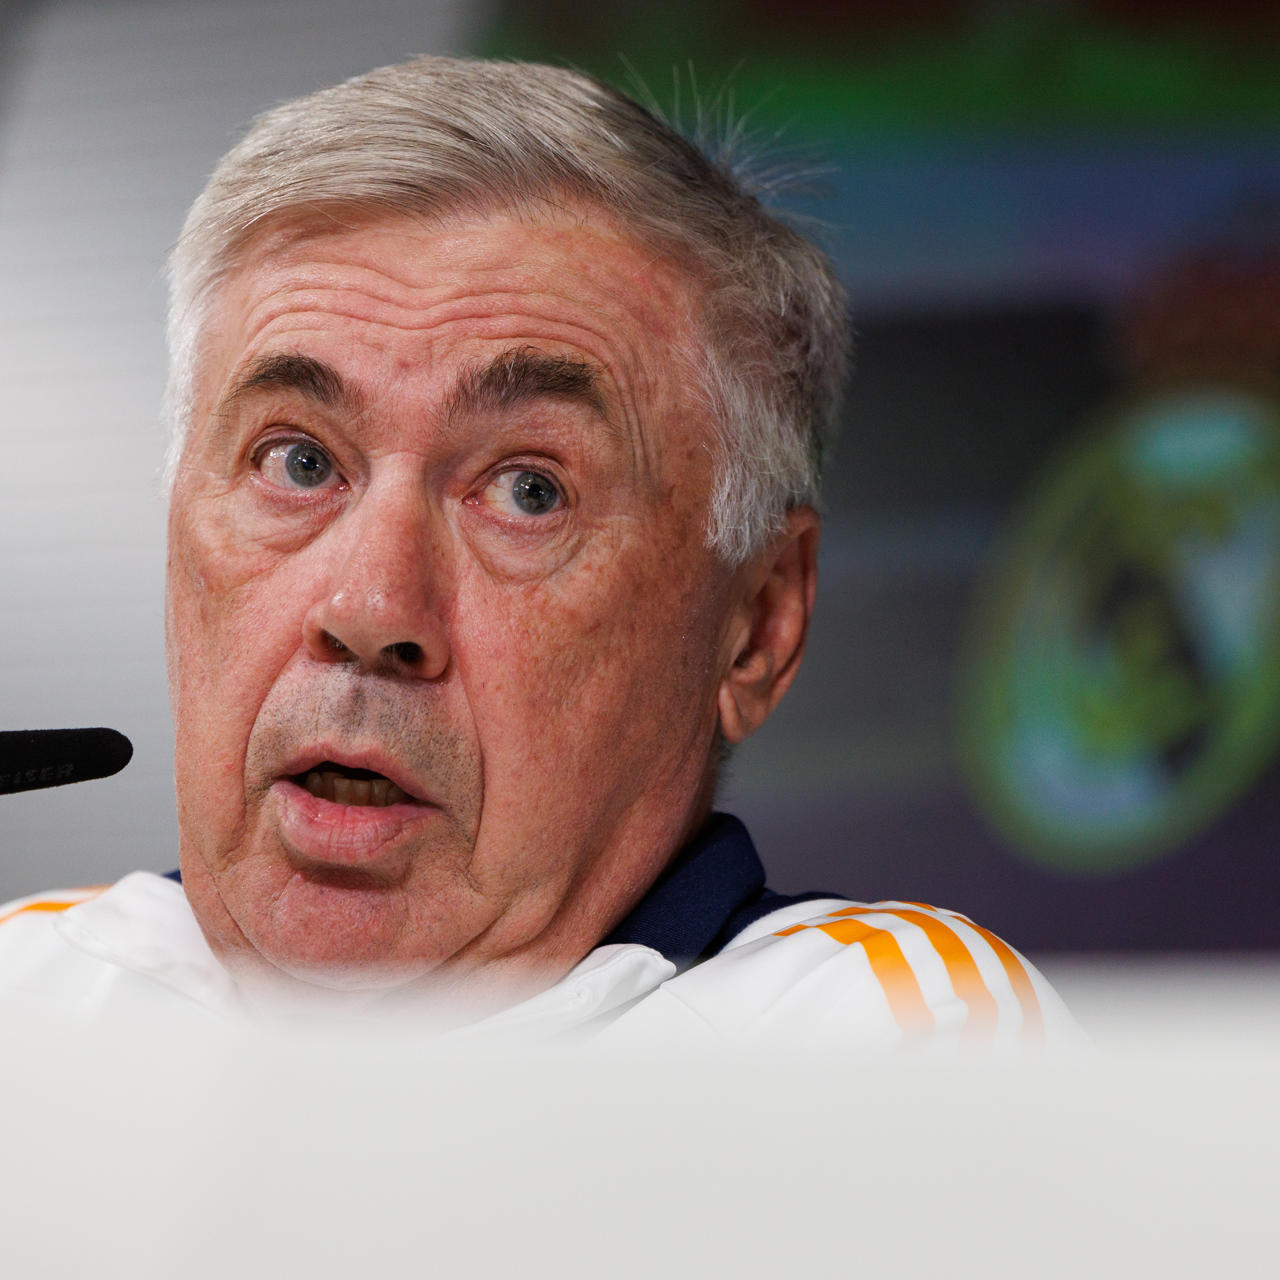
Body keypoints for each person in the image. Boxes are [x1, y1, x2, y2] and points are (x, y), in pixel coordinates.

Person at [0, 56, 1069, 1050]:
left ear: (756, 627)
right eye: (297, 461)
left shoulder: (881, 1037)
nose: (371, 608)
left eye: (529, 489)